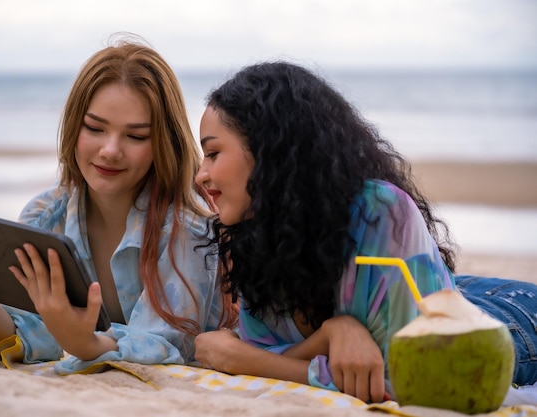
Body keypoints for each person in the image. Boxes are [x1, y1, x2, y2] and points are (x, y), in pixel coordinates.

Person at [193, 61, 537, 403]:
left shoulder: (380, 212)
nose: (200, 175)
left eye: (213, 153)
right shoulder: (254, 234)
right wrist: (332, 333)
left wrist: (242, 361)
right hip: (439, 294)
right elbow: (272, 348)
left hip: (508, 321)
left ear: (268, 149)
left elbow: (406, 381)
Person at [0, 35, 236, 374]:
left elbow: (168, 345)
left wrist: (85, 344)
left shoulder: (189, 230)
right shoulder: (45, 216)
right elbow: (34, 337)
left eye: (135, 136)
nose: (110, 150)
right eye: (94, 128)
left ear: (164, 143)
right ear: (75, 126)